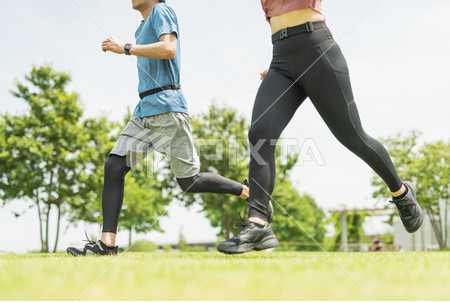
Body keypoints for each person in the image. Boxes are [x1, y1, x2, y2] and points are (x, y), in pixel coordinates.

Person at [217, 0, 423, 254]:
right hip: (281, 58)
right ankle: (258, 223)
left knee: (352, 137)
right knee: (260, 134)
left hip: (317, 49)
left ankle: (401, 192)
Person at [67, 0, 258, 256]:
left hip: (168, 107)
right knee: (115, 165)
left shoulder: (161, 10)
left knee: (190, 182)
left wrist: (124, 48)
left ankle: (248, 192)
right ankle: (107, 244)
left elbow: (169, 49)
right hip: (144, 110)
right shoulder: (142, 26)